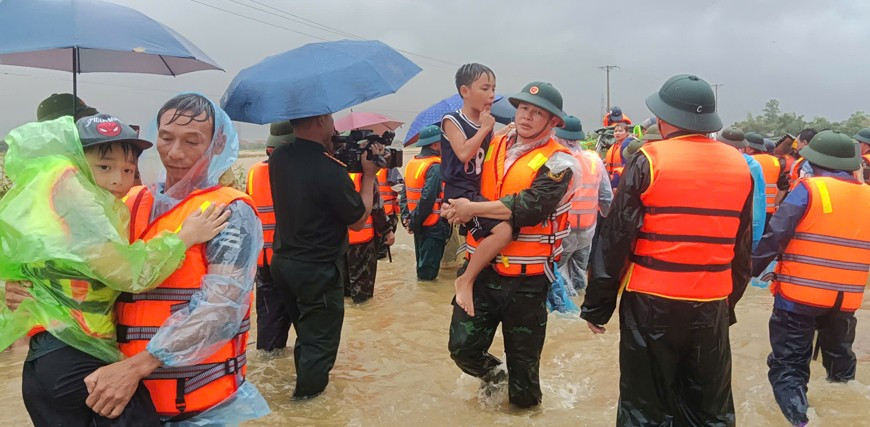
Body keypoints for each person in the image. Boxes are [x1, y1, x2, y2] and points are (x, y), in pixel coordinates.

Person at [0, 113, 229, 425]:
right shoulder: (80, 210)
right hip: (75, 359)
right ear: (75, 165)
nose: (118, 180)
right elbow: (132, 273)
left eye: (128, 170)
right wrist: (183, 237)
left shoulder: (47, 206)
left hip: (46, 362)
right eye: (103, 167)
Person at [81, 94, 269, 425]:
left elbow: (220, 309)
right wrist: (34, 289)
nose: (175, 152)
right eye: (166, 138)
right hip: (123, 398)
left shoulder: (230, 212)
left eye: (191, 141)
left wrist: (137, 366)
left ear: (218, 144)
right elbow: (88, 269)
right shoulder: (129, 200)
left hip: (198, 401)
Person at [581, 74, 753, 426]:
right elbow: (742, 248)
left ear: (665, 118)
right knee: (709, 408)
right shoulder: (740, 165)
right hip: (711, 305)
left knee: (644, 406)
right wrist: (727, 307)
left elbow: (616, 238)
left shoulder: (649, 159)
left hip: (651, 303)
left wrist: (598, 306)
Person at [443, 81, 577, 408]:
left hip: (527, 282)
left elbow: (529, 207)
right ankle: (495, 377)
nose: (527, 117)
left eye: (538, 113)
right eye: (523, 109)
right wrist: (454, 206)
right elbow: (467, 174)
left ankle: (521, 410)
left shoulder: (561, 162)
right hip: (483, 270)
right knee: (462, 348)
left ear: (554, 122)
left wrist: (472, 209)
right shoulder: (497, 140)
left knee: (524, 372)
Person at [752, 130, 870, 426]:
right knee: (840, 364)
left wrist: (747, 271)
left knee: (789, 368)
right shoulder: (867, 196)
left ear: (813, 160)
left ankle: (803, 421)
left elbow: (775, 236)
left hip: (799, 299)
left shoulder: (809, 189)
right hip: (846, 299)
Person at [268, 109, 382, 398]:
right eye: (331, 120)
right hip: (316, 269)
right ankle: (306, 406)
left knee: (307, 335)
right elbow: (357, 220)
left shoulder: (278, 159)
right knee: (320, 344)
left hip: (282, 263)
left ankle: (302, 387)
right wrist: (368, 177)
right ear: (320, 120)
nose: (334, 127)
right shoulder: (330, 170)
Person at [440, 63, 513, 318]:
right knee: (503, 230)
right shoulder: (452, 120)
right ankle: (466, 280)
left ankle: (474, 275)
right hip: (460, 191)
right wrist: (484, 128)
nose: (491, 94)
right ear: (465, 91)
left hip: (477, 190)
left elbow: (488, 152)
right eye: (485, 88)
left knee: (509, 218)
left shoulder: (487, 123)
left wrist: (504, 131)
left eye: (493, 88)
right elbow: (463, 153)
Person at [247, 121, 295, 353]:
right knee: (308, 325)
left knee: (268, 326)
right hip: (291, 258)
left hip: (262, 260)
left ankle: (269, 371)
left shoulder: (254, 172)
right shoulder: (297, 170)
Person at [554, 115, 612, 290]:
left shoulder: (558, 160)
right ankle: (579, 306)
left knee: (557, 274)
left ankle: (563, 313)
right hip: (587, 229)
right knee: (579, 273)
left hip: (563, 228)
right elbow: (606, 197)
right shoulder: (595, 160)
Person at [400, 124, 449, 281]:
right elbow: (428, 198)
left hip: (418, 223)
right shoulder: (434, 166)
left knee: (421, 266)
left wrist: (407, 218)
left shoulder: (412, 163)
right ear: (435, 144)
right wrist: (414, 222)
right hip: (432, 225)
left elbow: (404, 193)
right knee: (428, 273)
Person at [344, 169, 393, 303]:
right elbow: (376, 207)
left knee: (345, 288)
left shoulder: (336, 172)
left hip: (340, 240)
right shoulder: (366, 176)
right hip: (363, 239)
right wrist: (387, 230)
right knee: (362, 293)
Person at [717, 128, 767, 249]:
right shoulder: (754, 165)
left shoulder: (720, 162)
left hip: (726, 223)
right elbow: (758, 198)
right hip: (749, 223)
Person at [745, 132, 789, 224]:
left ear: (749, 148)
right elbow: (784, 187)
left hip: (750, 210)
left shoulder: (747, 161)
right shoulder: (775, 162)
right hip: (768, 211)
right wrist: (774, 203)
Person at [376, 167, 401, 260]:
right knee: (384, 245)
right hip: (387, 212)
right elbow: (399, 186)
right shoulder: (388, 167)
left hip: (371, 214)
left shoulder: (362, 167)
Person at [605, 122, 637, 190]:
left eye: (620, 131)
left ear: (626, 133)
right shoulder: (613, 147)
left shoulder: (629, 147)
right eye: (615, 131)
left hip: (621, 179)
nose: (617, 133)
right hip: (610, 179)